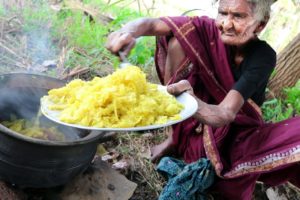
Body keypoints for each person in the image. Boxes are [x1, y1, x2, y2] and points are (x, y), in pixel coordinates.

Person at [106, 0, 300, 199]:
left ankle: (210, 161)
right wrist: (127, 32)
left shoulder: (263, 56)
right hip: (195, 124)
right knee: (180, 40)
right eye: (223, 13)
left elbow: (225, 113)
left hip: (235, 130)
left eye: (238, 16)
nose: (226, 24)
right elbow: (152, 24)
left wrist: (191, 102)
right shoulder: (204, 29)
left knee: (228, 182)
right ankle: (175, 137)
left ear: (261, 24)